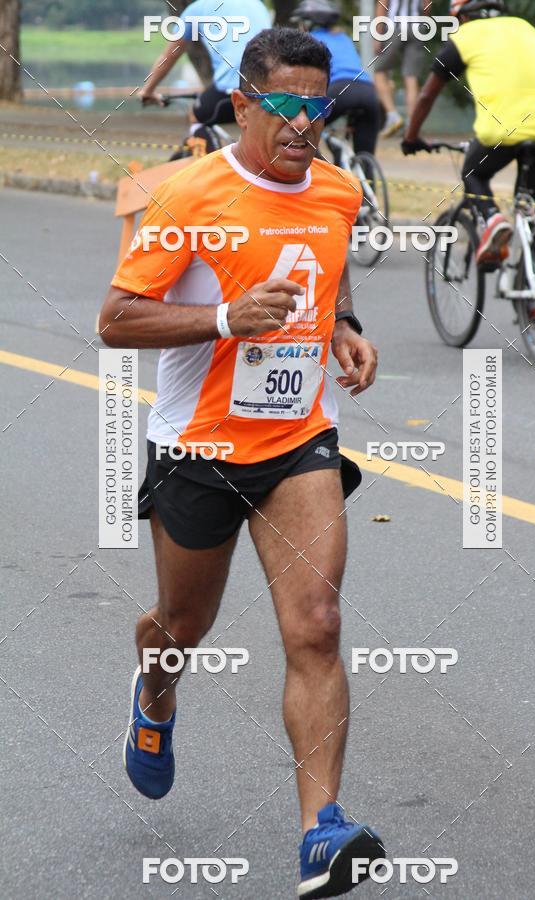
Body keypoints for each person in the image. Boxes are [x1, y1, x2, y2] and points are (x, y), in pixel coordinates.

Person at [100, 26, 383, 900]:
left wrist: (343, 326)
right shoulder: (187, 194)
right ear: (247, 102)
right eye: (289, 106)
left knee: (317, 625)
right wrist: (227, 320)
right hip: (201, 447)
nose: (307, 124)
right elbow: (117, 319)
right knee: (182, 629)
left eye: (321, 105)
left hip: (300, 440)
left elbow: (324, 270)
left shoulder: (339, 191)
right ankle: (154, 697)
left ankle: (320, 834)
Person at [402, 0, 535, 285]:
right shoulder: (526, 29)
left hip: (504, 129)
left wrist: (411, 138)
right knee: (529, 207)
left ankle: (493, 219)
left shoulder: (464, 38)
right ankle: (532, 297)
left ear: (462, 16)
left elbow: (426, 96)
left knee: (473, 173)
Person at [138, 0, 271, 150]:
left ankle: (212, 166)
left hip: (234, 85)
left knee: (196, 117)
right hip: (271, 85)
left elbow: (168, 58)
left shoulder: (197, 9)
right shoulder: (257, 4)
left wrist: (147, 91)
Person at [291, 0, 380, 156]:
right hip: (369, 91)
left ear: (307, 23)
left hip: (340, 89)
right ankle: (366, 174)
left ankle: (323, 173)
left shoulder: (309, 40)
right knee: (365, 154)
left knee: (304, 131)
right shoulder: (343, 37)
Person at [374, 0, 429, 137]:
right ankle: (412, 125)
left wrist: (378, 35)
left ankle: (393, 116)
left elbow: (382, 5)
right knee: (411, 77)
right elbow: (427, 5)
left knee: (379, 72)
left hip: (395, 26)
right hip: (416, 28)